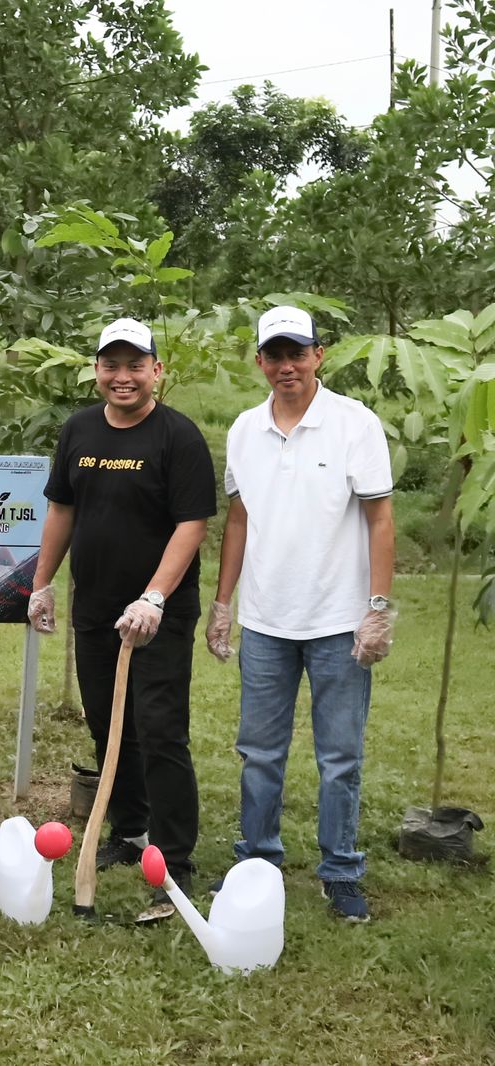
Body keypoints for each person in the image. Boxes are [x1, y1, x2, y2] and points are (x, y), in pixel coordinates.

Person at [206, 305, 395, 923]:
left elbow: (379, 518)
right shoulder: (243, 430)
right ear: (260, 361)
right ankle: (257, 862)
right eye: (274, 354)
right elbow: (238, 519)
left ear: (319, 354)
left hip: (339, 621)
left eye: (298, 352)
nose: (286, 365)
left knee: (339, 756)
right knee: (260, 752)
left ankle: (340, 869)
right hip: (265, 620)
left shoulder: (354, 424)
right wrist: (223, 603)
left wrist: (377, 610)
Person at [28, 317, 217, 907]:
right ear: (97, 372)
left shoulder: (177, 437)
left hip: (160, 611)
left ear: (156, 370)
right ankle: (130, 832)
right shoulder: (79, 430)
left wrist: (154, 596)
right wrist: (41, 585)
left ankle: (175, 857)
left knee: (160, 730)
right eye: (112, 365)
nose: (123, 376)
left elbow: (192, 525)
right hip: (97, 607)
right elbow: (62, 509)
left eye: (135, 365)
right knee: (108, 724)